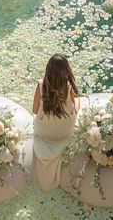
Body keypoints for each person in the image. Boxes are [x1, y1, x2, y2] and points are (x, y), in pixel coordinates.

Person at [32, 53, 80, 191]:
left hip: (44, 131)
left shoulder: (41, 85)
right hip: (65, 132)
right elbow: (75, 106)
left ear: (48, 69)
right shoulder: (69, 85)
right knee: (78, 101)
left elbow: (35, 110)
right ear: (66, 70)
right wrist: (76, 106)